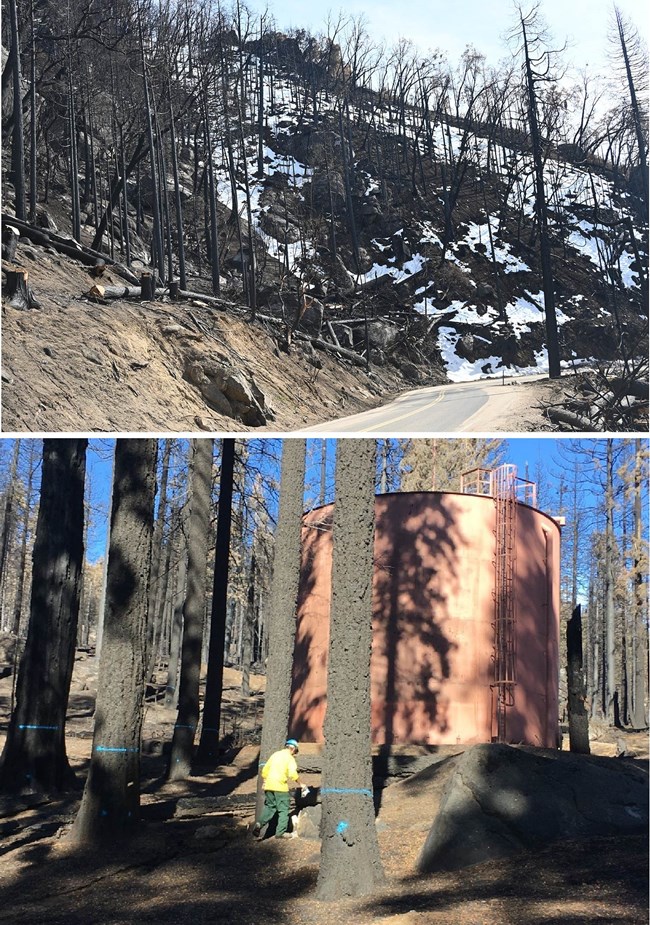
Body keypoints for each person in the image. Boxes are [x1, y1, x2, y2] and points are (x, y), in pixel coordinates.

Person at [253, 738, 307, 839]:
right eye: (295, 751)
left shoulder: (275, 754)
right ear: (293, 749)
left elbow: (264, 771)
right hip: (280, 787)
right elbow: (292, 774)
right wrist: (302, 784)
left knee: (270, 807)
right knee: (283, 810)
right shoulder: (290, 758)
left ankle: (259, 824)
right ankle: (280, 833)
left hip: (269, 786)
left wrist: (265, 781)